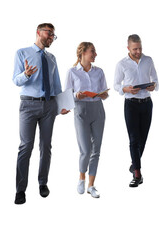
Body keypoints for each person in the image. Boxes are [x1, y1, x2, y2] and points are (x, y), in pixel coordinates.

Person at [12, 23, 66, 204]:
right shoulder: (22, 53)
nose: (51, 37)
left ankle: (43, 182)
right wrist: (26, 74)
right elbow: (16, 80)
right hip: (28, 105)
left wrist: (61, 106)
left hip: (49, 106)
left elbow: (57, 85)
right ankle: (20, 189)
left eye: (53, 35)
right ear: (38, 32)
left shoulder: (51, 58)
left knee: (46, 146)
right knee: (25, 147)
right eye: (49, 33)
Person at [63, 42, 108, 198]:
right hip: (81, 110)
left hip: (98, 110)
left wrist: (103, 94)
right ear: (82, 53)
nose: (95, 54)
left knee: (96, 150)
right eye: (92, 51)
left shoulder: (99, 71)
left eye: (95, 51)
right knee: (86, 150)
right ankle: (81, 178)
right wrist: (77, 95)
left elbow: (105, 93)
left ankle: (91, 185)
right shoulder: (72, 72)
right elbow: (67, 94)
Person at [114, 34, 158, 187]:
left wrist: (154, 86)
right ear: (128, 48)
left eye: (140, 48)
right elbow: (116, 85)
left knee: (143, 139)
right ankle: (137, 174)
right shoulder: (121, 64)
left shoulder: (148, 60)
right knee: (134, 139)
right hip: (130, 104)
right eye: (135, 49)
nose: (138, 51)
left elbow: (156, 80)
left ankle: (134, 164)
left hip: (147, 103)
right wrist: (125, 89)